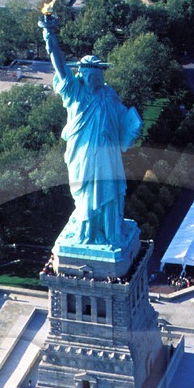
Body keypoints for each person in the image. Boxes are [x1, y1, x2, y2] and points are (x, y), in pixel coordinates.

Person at [39, 13, 141, 250]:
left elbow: (123, 118)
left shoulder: (108, 94)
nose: (92, 78)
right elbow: (60, 65)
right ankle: (87, 232)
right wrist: (49, 34)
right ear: (81, 75)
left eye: (96, 75)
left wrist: (133, 124)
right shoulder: (74, 92)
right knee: (85, 190)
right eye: (87, 74)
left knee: (108, 190)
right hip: (82, 154)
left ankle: (109, 231)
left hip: (106, 154)